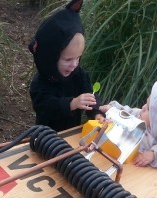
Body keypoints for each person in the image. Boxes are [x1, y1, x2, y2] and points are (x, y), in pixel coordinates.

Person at [28, 0, 104, 132]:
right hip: (46, 137)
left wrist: (96, 113)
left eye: (78, 58)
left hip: (71, 134)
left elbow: (90, 97)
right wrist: (72, 103)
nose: (74, 64)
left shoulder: (79, 75)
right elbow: (45, 107)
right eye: (68, 59)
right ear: (50, 58)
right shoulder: (41, 83)